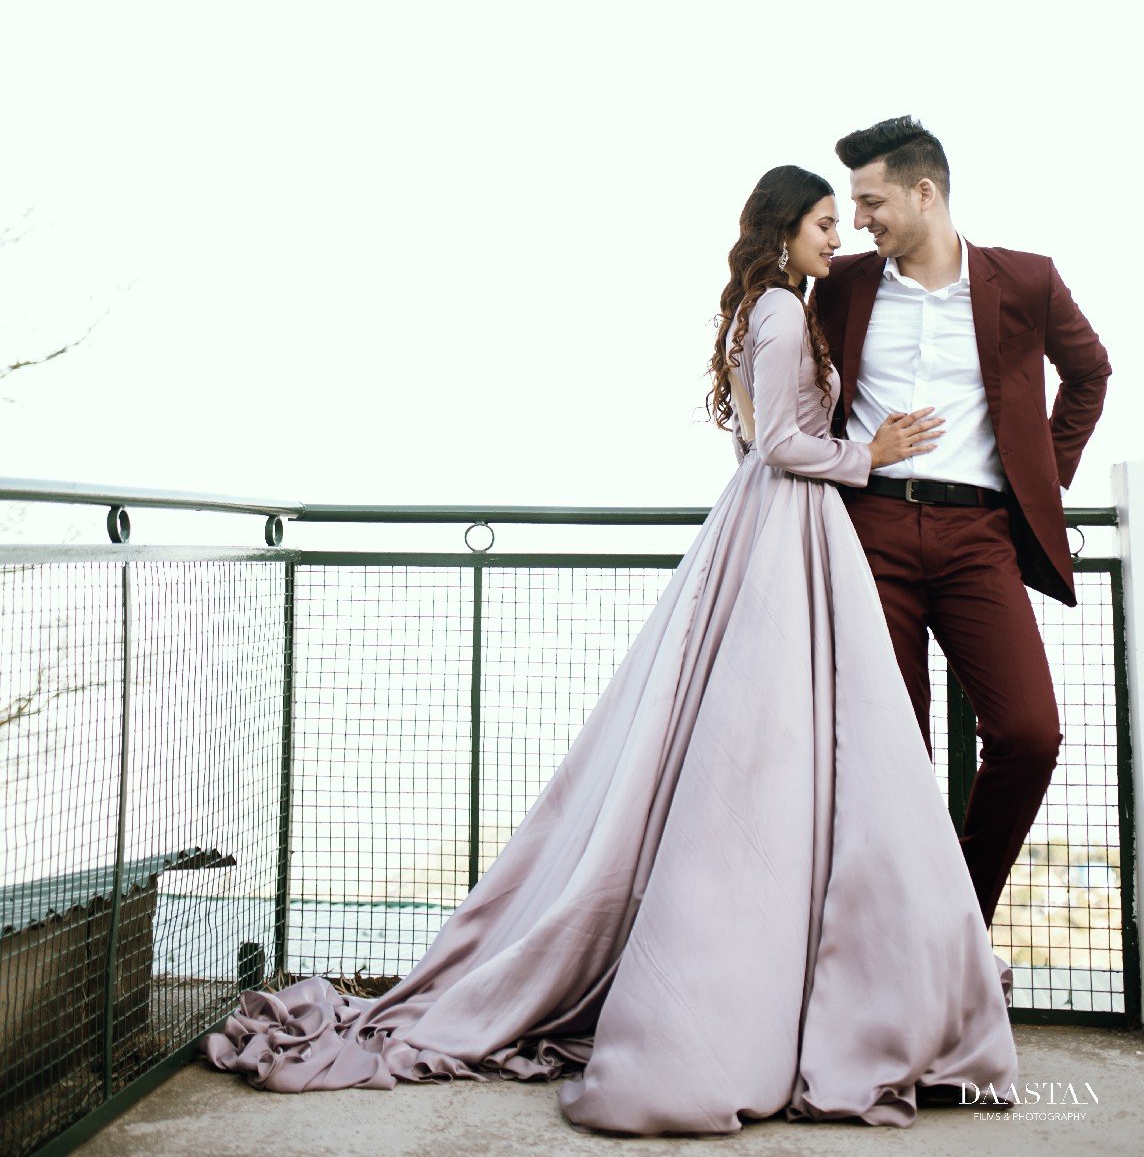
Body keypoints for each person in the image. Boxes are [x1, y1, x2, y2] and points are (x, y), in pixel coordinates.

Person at [199, 165, 1018, 1131]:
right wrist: (865, 458)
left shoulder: (773, 306)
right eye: (825, 224)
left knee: (762, 742)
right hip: (793, 521)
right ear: (785, 230)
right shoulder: (784, 315)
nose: (837, 238)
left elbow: (759, 432)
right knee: (778, 741)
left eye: (846, 222)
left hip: (785, 533)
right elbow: (776, 449)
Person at [813, 116, 1111, 931]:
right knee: (889, 749)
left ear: (924, 191)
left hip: (981, 539)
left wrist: (1041, 484)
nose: (860, 218)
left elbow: (1089, 375)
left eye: (871, 200)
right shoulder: (839, 285)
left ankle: (958, 922)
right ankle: (890, 946)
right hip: (869, 530)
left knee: (1029, 732)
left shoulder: (1025, 280)